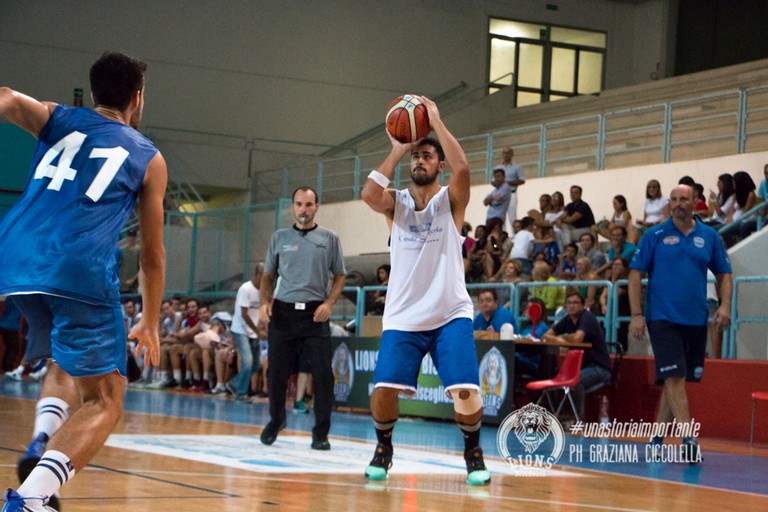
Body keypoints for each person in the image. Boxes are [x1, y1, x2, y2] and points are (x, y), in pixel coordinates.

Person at [0, 52, 166, 512]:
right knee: (106, 398)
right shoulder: (148, 157)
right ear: (138, 98)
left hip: (14, 256)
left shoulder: (57, 117)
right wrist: (150, 322)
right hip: (78, 266)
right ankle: (30, 500)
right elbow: (152, 255)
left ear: (93, 93)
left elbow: (8, 98)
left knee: (64, 363)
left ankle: (41, 445)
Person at [360, 96, 490, 485]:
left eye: (426, 156)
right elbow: (368, 193)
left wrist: (436, 123)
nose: (420, 160)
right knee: (383, 389)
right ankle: (384, 448)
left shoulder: (450, 202)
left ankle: (473, 451)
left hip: (450, 313)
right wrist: (398, 148)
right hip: (404, 316)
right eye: (416, 156)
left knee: (465, 391)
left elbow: (463, 167)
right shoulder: (394, 203)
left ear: (438, 165)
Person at [629, 184, 732, 464]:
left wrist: (724, 305)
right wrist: (637, 314)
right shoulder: (654, 235)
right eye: (673, 199)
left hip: (695, 318)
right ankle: (688, 439)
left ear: (695, 201)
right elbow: (635, 274)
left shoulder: (709, 236)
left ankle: (656, 438)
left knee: (674, 379)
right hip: (662, 317)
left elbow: (724, 273)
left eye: (683, 199)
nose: (677, 204)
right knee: (674, 376)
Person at [258, 186, 346, 451]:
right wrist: (264, 302)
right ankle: (276, 420)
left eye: (309, 205)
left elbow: (340, 275)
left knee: (322, 375)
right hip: (283, 312)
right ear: (293, 207)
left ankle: (320, 433)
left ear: (317, 207)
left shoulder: (330, 238)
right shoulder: (279, 237)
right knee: (276, 373)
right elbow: (268, 275)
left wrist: (329, 303)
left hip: (315, 315)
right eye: (299, 204)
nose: (303, 209)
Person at [541, 292, 612, 419]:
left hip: (599, 368)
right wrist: (563, 339)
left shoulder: (587, 318)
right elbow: (546, 336)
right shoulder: (567, 319)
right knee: (551, 373)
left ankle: (577, 419)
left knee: (575, 382)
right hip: (580, 367)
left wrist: (561, 337)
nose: (572, 306)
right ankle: (555, 415)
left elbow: (577, 338)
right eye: (569, 303)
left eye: (575, 303)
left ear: (583, 305)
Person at [227, 263, 264, 401]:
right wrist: (257, 330)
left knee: (257, 364)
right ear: (259, 274)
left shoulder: (264, 291)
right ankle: (241, 393)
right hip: (241, 329)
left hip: (253, 331)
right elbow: (244, 314)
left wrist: (261, 328)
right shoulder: (245, 289)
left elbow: (261, 312)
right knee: (247, 362)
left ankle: (234, 383)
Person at [497, 146, 525, 232]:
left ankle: (514, 236)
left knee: (512, 216)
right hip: (500, 195)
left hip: (511, 193)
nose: (506, 155)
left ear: (512, 154)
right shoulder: (498, 168)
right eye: (504, 153)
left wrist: (507, 182)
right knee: (501, 217)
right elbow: (494, 181)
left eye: (508, 153)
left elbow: (522, 180)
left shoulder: (517, 167)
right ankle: (503, 236)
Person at [118, 228, 140, 294]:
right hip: (122, 284)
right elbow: (120, 265)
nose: (131, 238)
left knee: (131, 303)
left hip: (133, 285)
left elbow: (141, 268)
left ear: (136, 237)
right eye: (130, 236)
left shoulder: (138, 250)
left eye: (133, 236)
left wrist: (133, 280)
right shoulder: (123, 251)